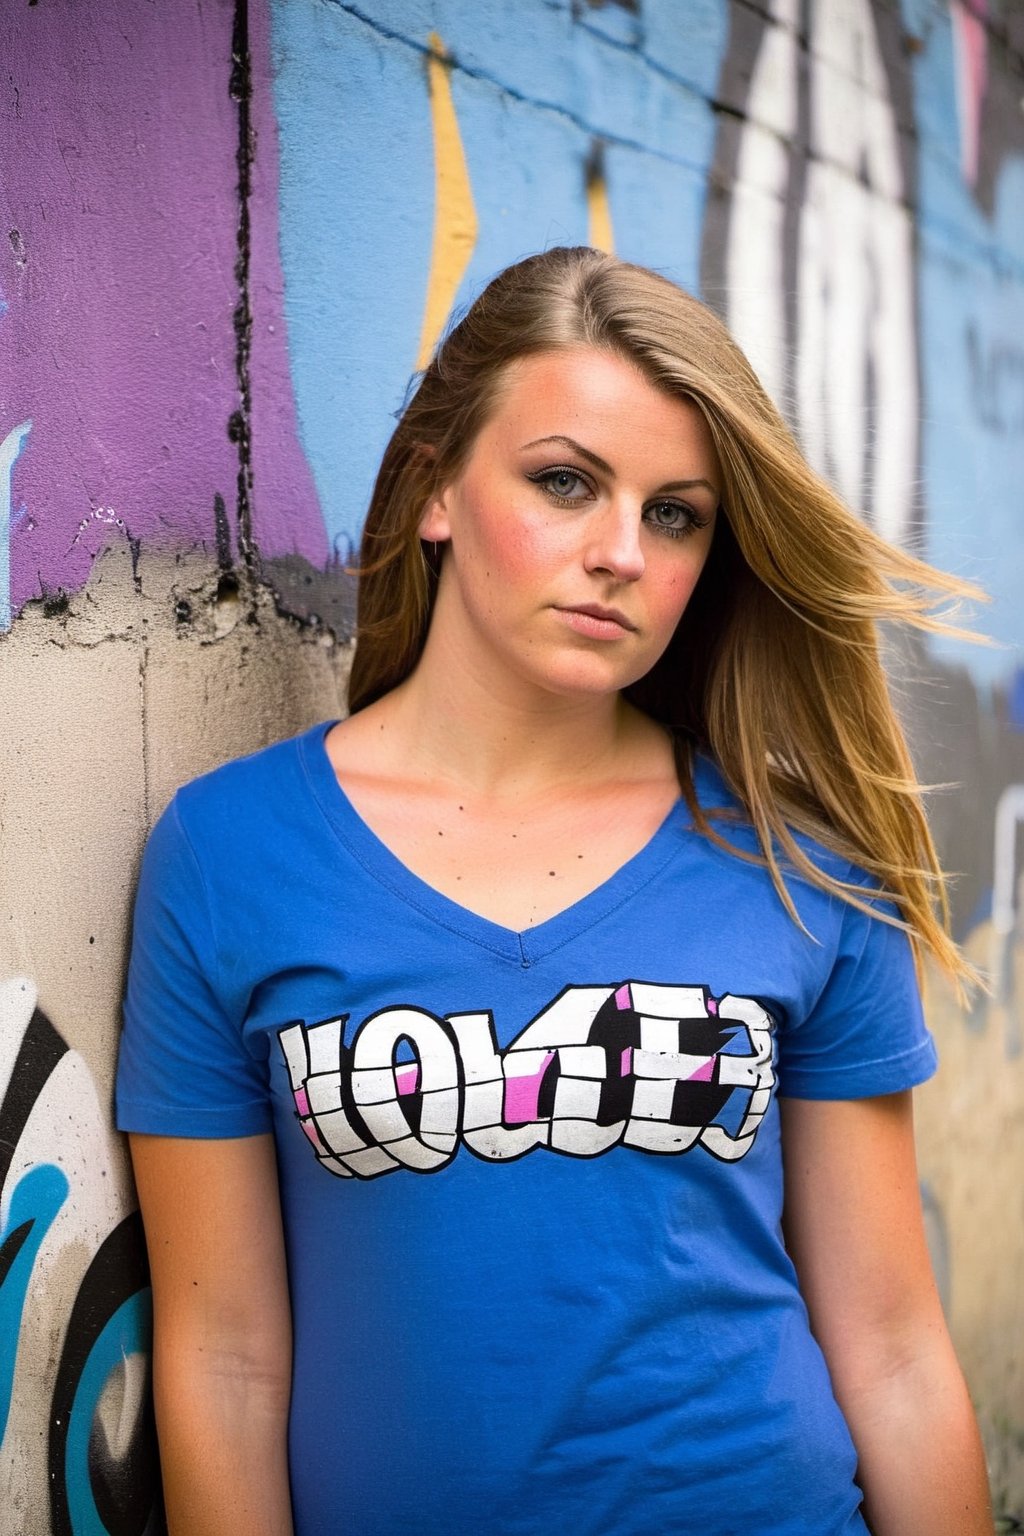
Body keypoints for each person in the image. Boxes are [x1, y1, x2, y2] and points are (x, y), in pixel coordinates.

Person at [117, 247, 993, 1536]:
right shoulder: (231, 854)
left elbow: (896, 1350)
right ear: (436, 491)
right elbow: (227, 1363)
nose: (621, 553)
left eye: (676, 513)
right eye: (566, 483)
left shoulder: (803, 869)